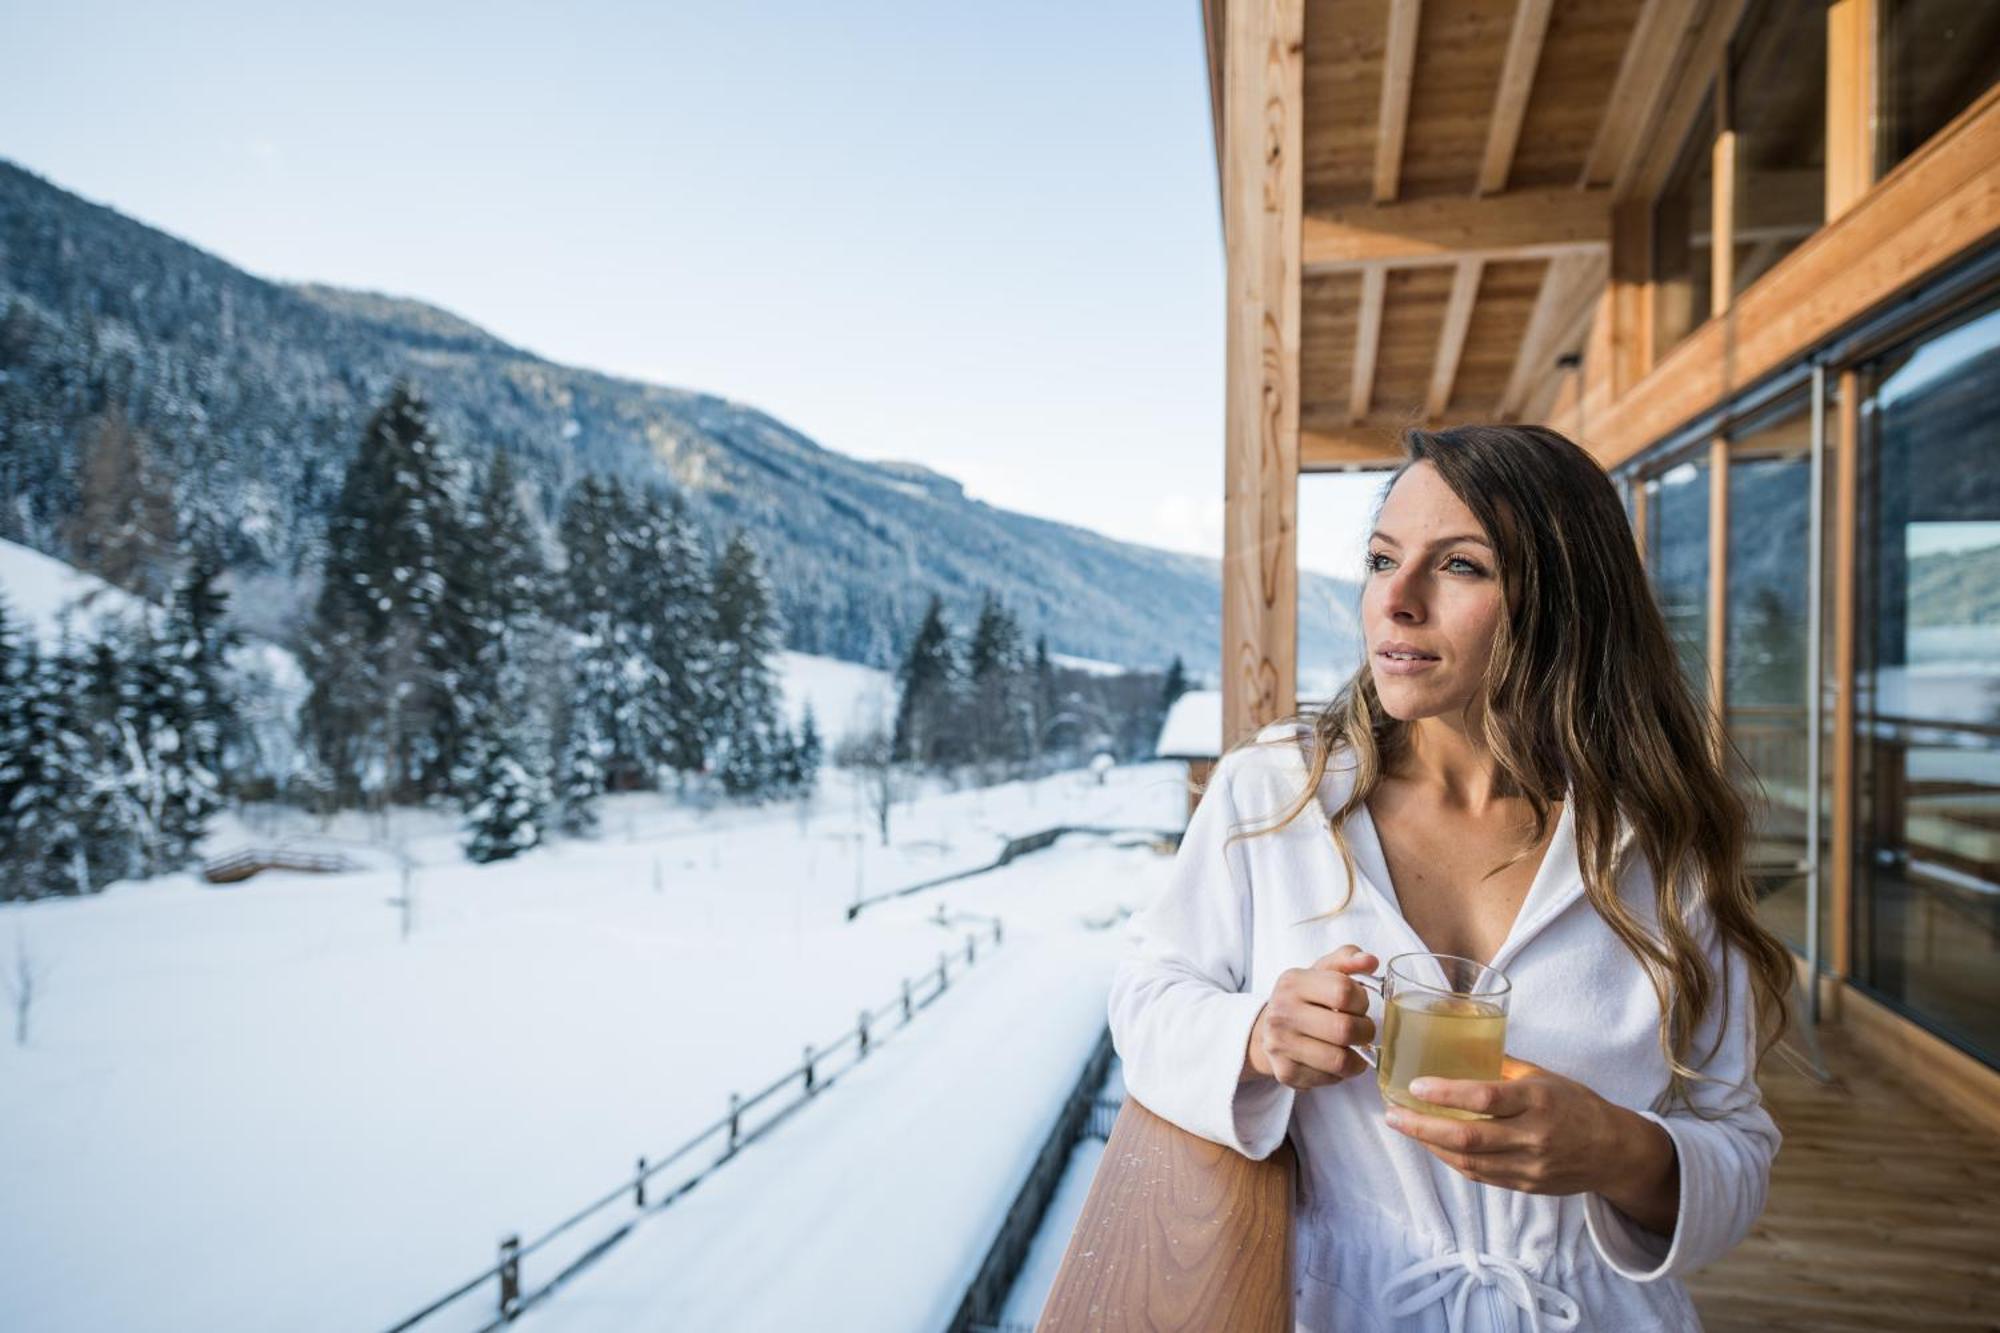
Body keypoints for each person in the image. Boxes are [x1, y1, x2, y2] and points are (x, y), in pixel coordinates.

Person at [1107, 424, 1795, 1332]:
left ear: (1564, 603)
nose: (1395, 600)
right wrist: (1255, 1033)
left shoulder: (1659, 843)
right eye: (1382, 557)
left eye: (1460, 566)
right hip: (1344, 1308)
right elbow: (1146, 997)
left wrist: (1620, 1150)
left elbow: (1737, 1146)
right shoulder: (1278, 793)